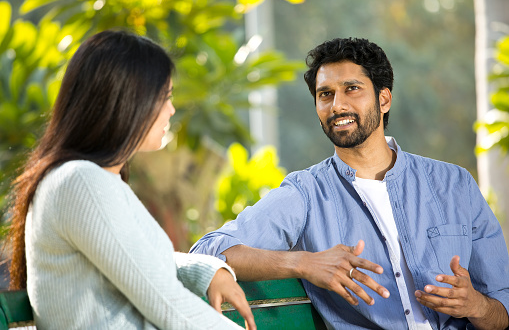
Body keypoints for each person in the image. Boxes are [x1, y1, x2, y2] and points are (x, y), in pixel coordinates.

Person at [190, 37, 509, 329]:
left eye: (351, 89)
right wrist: (304, 263)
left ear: (384, 100)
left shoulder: (454, 185)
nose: (337, 106)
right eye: (325, 94)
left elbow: (502, 311)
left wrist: (476, 305)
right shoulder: (306, 195)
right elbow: (209, 249)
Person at [7, 30, 256, 330]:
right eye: (163, 97)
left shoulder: (86, 179)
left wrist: (205, 270)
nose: (172, 110)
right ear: (124, 102)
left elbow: (136, 261)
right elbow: (168, 305)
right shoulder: (81, 183)